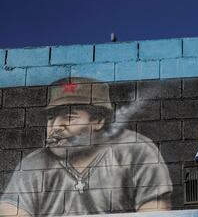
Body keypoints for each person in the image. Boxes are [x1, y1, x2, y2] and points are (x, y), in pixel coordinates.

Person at [0, 77, 172, 216]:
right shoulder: (33, 165)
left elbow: (155, 211)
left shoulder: (136, 151)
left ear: (98, 121)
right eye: (51, 118)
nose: (56, 127)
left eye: (69, 117)